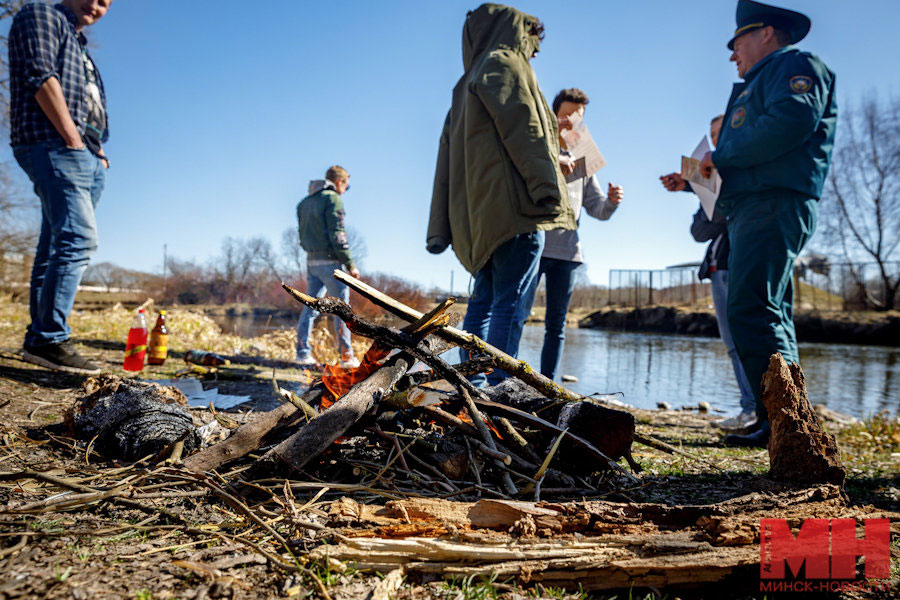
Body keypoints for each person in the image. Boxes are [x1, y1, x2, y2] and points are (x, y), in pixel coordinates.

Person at [699, 0, 837, 446]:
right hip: (752, 206)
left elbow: (790, 123)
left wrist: (720, 156)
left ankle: (782, 423)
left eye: (737, 40)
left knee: (752, 308)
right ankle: (783, 421)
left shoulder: (796, 66)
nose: (731, 52)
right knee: (766, 310)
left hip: (774, 202)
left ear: (766, 33)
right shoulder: (757, 82)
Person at [427, 4, 575, 386]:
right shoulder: (505, 65)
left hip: (480, 222)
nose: (535, 52)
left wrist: (439, 230)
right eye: (533, 42)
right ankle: (498, 390)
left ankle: (470, 386)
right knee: (508, 305)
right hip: (516, 210)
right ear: (520, 33)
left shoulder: (463, 87)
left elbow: (444, 167)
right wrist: (547, 189)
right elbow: (525, 130)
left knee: (482, 303)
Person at [10, 0, 112, 375]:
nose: (97, 5)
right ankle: (50, 337)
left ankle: (39, 339)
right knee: (78, 239)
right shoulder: (41, 15)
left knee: (54, 243)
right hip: (54, 142)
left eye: (107, 2)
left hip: (86, 151)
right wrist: (70, 137)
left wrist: (97, 152)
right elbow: (40, 73)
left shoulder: (78, 41)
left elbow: (90, 101)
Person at [518, 88, 623, 381]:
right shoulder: (536, 147)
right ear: (553, 116)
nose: (569, 123)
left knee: (556, 325)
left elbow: (597, 208)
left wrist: (613, 202)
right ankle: (503, 379)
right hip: (534, 247)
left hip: (568, 253)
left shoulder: (584, 155)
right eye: (565, 115)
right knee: (518, 316)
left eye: (576, 118)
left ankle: (547, 384)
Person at [659, 115, 757, 431]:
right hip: (718, 267)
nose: (716, 140)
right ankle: (751, 409)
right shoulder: (713, 179)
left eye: (721, 133)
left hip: (736, 264)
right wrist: (693, 187)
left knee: (745, 340)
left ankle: (756, 411)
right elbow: (699, 230)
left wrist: (696, 190)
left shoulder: (743, 170)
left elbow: (725, 214)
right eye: (712, 136)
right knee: (731, 343)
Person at [295, 166, 361, 369]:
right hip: (331, 263)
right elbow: (338, 234)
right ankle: (347, 356)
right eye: (346, 187)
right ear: (339, 182)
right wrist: (350, 264)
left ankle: (302, 353)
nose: (345, 191)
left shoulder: (303, 203)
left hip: (311, 261)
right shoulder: (332, 199)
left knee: (310, 307)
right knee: (342, 310)